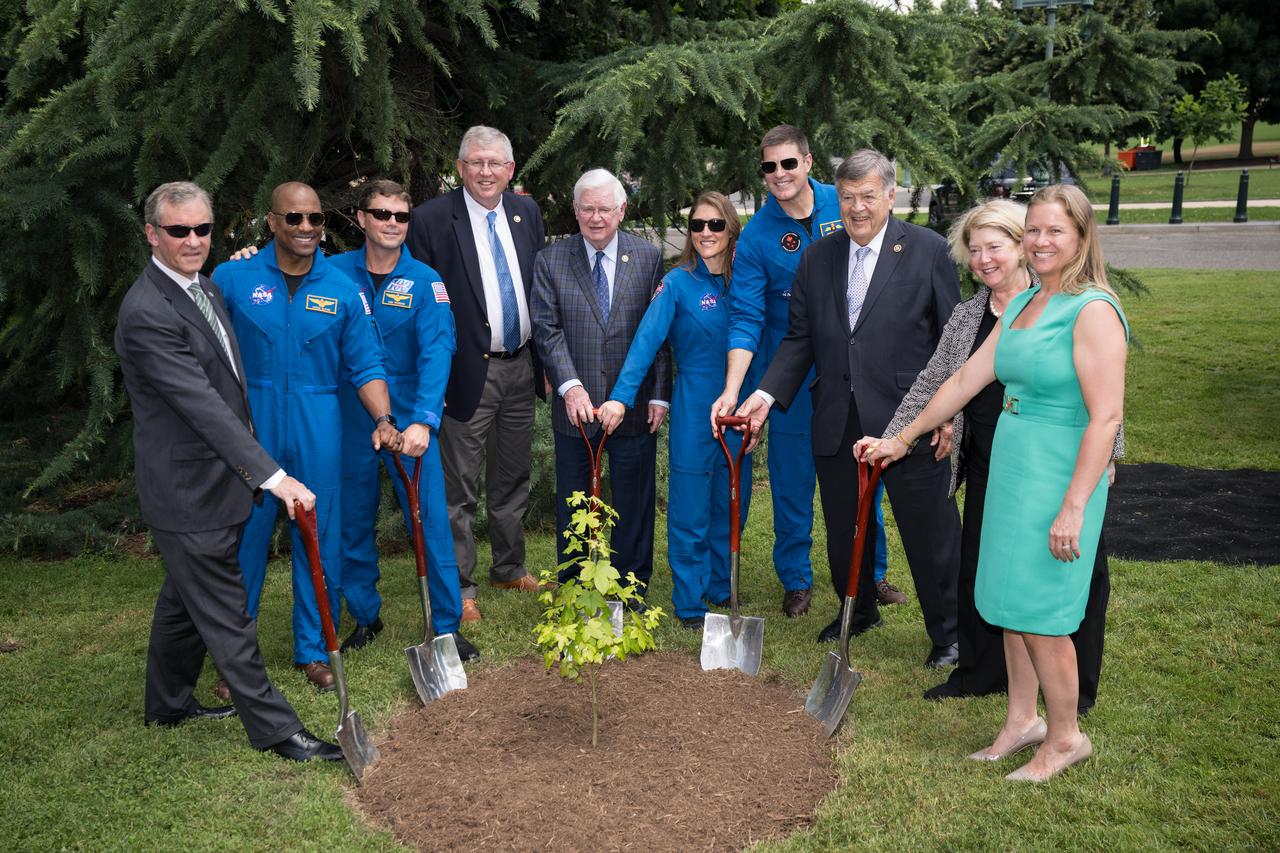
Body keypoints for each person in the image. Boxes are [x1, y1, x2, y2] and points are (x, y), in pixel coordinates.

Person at [858, 184, 1128, 781]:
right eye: (1033, 229)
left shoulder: (1094, 311)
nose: (1040, 241)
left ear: (1082, 237)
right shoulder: (1028, 302)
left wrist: (1075, 505)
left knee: (1041, 610)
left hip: (1060, 472)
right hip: (1011, 469)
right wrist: (901, 438)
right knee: (1006, 599)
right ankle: (1021, 720)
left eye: (1055, 230)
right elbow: (960, 382)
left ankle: (1065, 739)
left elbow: (1106, 417)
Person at [118, 180, 340, 761]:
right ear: (151, 234)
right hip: (188, 489)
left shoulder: (206, 290)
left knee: (182, 602)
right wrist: (273, 476)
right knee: (227, 615)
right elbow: (202, 406)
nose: (193, 240)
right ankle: (276, 729)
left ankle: (167, 704)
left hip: (210, 484)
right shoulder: (147, 313)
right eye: (178, 231)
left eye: (203, 229)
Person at [736, 149, 964, 666]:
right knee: (846, 529)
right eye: (847, 197)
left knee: (928, 531)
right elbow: (799, 339)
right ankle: (856, 611)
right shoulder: (818, 256)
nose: (857, 207)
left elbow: (953, 342)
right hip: (838, 416)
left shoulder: (928, 250)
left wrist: (948, 414)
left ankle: (948, 633)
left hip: (912, 419)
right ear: (835, 198)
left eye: (867, 196)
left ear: (890, 194)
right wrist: (765, 395)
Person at [212, 182, 400, 693]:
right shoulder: (232, 277)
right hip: (253, 424)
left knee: (320, 536)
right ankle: (235, 659)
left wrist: (384, 418)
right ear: (271, 221)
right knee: (244, 541)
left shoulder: (341, 288)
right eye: (293, 218)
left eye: (315, 220)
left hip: (319, 422)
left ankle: (314, 649)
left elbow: (366, 363)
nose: (306, 229)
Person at [709, 125, 895, 617]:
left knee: (862, 470)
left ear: (808, 162)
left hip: (850, 368)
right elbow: (746, 318)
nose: (779, 175)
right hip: (788, 376)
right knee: (792, 481)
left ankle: (871, 573)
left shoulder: (847, 202)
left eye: (788, 163)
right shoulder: (756, 239)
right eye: (768, 167)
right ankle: (796, 578)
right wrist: (735, 389)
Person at [329, 179, 478, 662]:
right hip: (351, 415)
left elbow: (439, 351)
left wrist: (425, 421)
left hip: (412, 416)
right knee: (351, 516)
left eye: (401, 216)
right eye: (381, 214)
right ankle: (365, 614)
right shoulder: (330, 274)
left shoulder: (425, 281)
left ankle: (448, 626)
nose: (392, 224)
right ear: (361, 218)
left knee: (429, 521)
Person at [406, 126, 547, 623]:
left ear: (511, 170)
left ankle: (509, 566)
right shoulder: (429, 219)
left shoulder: (526, 212)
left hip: (520, 366)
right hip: (465, 372)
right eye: (476, 163)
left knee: (512, 478)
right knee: (457, 489)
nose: (486, 172)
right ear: (461, 167)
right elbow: (422, 304)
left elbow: (539, 290)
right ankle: (460, 586)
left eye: (496, 164)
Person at [599, 191, 758, 629]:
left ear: (731, 229)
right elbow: (646, 343)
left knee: (733, 497)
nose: (706, 233)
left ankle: (720, 585)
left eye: (715, 225)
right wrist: (621, 396)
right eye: (697, 225)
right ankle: (690, 600)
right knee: (690, 502)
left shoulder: (746, 278)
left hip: (742, 403)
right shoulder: (676, 283)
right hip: (695, 402)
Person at [530, 168, 670, 603]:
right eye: (586, 209)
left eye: (604, 209)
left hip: (631, 405)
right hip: (577, 406)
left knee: (633, 497)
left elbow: (660, 332)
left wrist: (661, 393)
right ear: (574, 210)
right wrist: (570, 386)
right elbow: (545, 328)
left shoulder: (647, 257)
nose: (595, 218)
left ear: (622, 210)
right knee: (575, 503)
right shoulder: (550, 260)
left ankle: (631, 585)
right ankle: (575, 586)